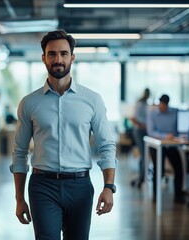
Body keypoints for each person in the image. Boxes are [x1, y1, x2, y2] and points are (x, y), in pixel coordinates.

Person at [10, 29, 117, 240]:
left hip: (80, 187)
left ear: (72, 57)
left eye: (63, 53)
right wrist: (19, 198)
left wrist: (109, 187)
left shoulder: (92, 100)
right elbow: (19, 152)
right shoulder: (29, 103)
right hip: (43, 187)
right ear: (43, 58)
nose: (58, 59)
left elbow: (106, 146)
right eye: (52, 54)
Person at [146, 94, 185, 204]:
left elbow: (179, 128)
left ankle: (178, 195)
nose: (163, 107)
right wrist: (164, 136)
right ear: (159, 103)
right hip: (157, 145)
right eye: (162, 105)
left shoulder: (175, 112)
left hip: (171, 144)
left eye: (165, 105)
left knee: (179, 168)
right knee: (159, 170)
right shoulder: (152, 113)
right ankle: (156, 196)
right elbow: (151, 132)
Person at [130, 88, 150, 188]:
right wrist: (143, 126)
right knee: (144, 154)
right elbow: (133, 118)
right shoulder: (140, 104)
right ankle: (142, 177)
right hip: (140, 131)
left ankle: (143, 176)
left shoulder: (146, 104)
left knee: (145, 154)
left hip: (145, 131)